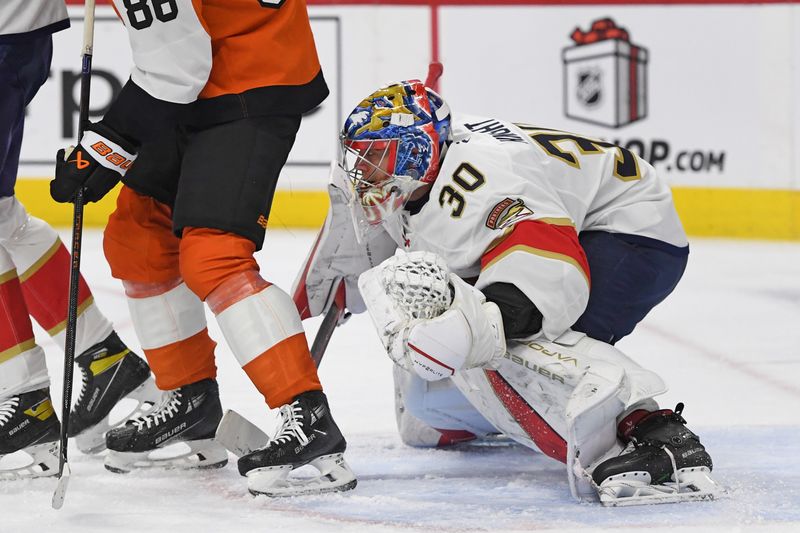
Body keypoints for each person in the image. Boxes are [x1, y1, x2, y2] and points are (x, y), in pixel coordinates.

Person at [294, 79, 719, 505]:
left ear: (417, 153)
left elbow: (551, 273)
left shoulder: (481, 184)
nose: (363, 173)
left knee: (507, 334)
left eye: (376, 158)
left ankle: (658, 437)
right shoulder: (417, 175)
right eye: (360, 158)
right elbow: (364, 246)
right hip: (564, 221)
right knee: (425, 413)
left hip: (630, 230)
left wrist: (475, 330)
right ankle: (526, 409)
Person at [48, 0, 356, 497]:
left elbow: (177, 64)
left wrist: (106, 146)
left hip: (251, 74)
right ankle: (189, 401)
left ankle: (309, 420)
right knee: (138, 238)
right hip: (203, 71)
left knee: (213, 255)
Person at [0, 1, 156, 480]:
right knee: (1, 217)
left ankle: (26, 395)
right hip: (15, 36)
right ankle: (100, 355)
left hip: (8, 36)